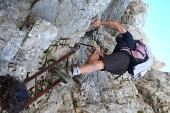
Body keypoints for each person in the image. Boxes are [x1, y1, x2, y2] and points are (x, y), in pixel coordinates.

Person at [70, 19, 137, 77]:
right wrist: (97, 51)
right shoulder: (121, 49)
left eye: (118, 34)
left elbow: (116, 24)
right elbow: (108, 58)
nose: (118, 34)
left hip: (123, 61)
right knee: (93, 57)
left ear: (122, 36)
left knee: (99, 64)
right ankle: (81, 74)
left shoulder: (129, 39)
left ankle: (72, 71)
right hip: (120, 69)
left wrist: (100, 22)